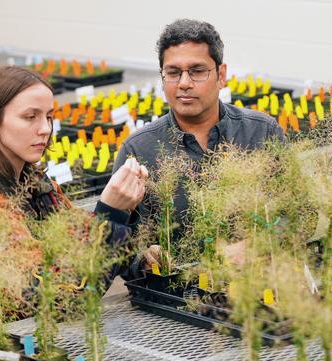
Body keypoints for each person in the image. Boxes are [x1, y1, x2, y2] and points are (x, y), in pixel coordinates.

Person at [0, 66, 149, 290]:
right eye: (30, 117)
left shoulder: (34, 182)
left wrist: (140, 262)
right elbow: (56, 295)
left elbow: (75, 242)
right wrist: (110, 213)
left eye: (49, 117)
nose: (45, 128)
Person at [110, 19, 286, 267]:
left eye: (197, 71)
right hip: (175, 297)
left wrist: (257, 244)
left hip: (256, 287)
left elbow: (300, 214)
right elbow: (116, 245)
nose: (184, 83)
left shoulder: (261, 133)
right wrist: (143, 259)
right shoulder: (137, 151)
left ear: (221, 75)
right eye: (173, 73)